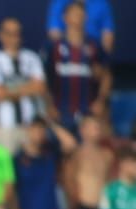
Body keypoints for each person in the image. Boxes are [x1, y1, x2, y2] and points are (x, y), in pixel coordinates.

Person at [0, 19, 48, 154]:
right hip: (5, 126)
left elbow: (40, 88)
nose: (13, 37)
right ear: (1, 35)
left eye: (16, 33)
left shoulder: (32, 57)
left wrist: (9, 90)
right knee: (7, 170)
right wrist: (28, 87)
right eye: (9, 33)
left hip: (30, 126)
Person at [46, 1, 108, 133]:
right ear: (65, 17)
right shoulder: (54, 48)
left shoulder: (94, 46)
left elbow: (106, 75)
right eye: (74, 14)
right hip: (61, 112)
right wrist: (49, 105)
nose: (77, 17)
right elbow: (44, 79)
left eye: (81, 14)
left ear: (86, 17)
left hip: (87, 112)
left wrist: (100, 101)